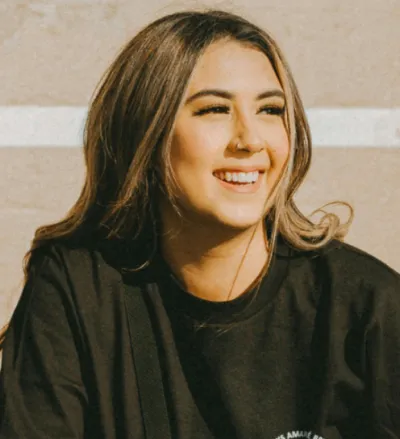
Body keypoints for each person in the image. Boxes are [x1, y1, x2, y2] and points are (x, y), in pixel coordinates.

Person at [0, 8, 399, 439]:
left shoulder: (369, 307)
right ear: (146, 131)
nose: (250, 140)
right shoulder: (76, 289)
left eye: (270, 110)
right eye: (214, 109)